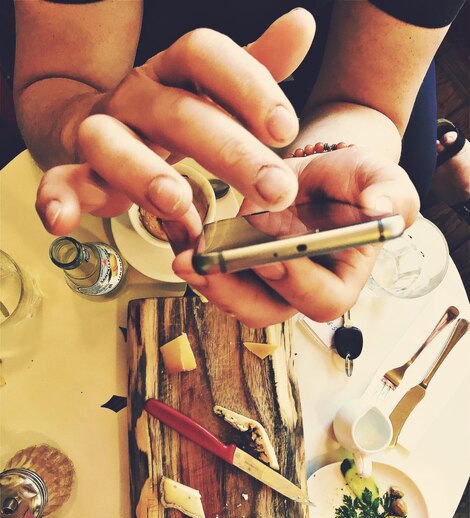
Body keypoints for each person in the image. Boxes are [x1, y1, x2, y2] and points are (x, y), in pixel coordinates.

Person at [12, 0, 466, 326]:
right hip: (128, 96)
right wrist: (81, 126)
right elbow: (56, 79)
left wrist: (337, 154)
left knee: (416, 165)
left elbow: (369, 101)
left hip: (329, 87)